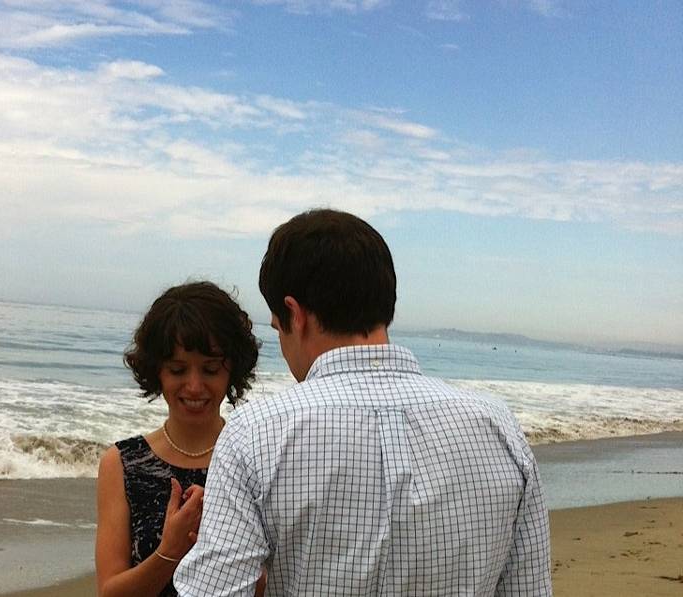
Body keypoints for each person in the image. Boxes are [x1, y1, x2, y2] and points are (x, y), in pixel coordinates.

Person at [175, 209, 552, 596]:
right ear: (384, 303)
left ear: (294, 313)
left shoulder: (254, 434)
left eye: (278, 329)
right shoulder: (498, 425)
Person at [95, 281, 261, 597]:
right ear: (157, 371)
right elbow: (109, 592)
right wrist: (169, 551)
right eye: (178, 369)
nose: (195, 386)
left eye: (211, 370)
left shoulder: (255, 458)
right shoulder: (121, 463)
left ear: (232, 371)